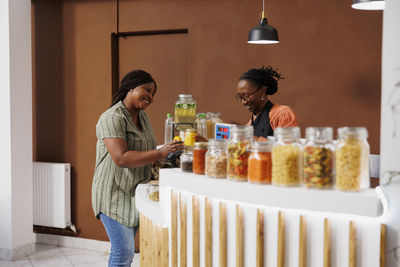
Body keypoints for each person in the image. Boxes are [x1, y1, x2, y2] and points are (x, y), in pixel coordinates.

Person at [91, 70, 183, 267]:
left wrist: (165, 155)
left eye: (153, 94)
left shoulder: (143, 117)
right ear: (130, 88)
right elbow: (121, 158)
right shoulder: (112, 117)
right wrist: (161, 153)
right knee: (123, 253)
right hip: (112, 193)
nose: (150, 97)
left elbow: (145, 151)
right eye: (147, 90)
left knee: (123, 252)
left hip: (134, 192)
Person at [236, 66, 299, 140]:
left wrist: (255, 140)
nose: (243, 102)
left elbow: (288, 147)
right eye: (240, 97)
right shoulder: (250, 124)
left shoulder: (282, 114)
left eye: (246, 96)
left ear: (262, 91)